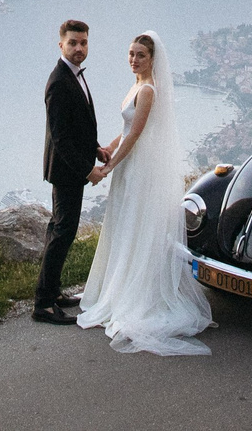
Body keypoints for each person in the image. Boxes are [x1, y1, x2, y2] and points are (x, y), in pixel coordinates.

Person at [73, 33, 213, 355]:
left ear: (152, 60)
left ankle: (133, 294)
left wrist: (107, 169)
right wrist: (106, 148)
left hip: (138, 167)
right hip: (127, 164)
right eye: (131, 54)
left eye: (141, 56)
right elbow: (125, 128)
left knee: (135, 224)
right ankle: (118, 285)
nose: (134, 60)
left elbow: (135, 135)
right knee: (124, 225)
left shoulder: (148, 89)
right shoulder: (136, 84)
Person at [34, 18, 105, 323]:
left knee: (59, 230)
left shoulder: (73, 74)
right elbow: (61, 138)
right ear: (60, 44)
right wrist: (88, 170)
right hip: (66, 171)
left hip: (70, 166)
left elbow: (79, 126)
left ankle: (52, 293)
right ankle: (44, 305)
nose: (79, 48)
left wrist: (97, 147)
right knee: (63, 232)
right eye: (73, 42)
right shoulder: (58, 81)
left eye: (84, 42)